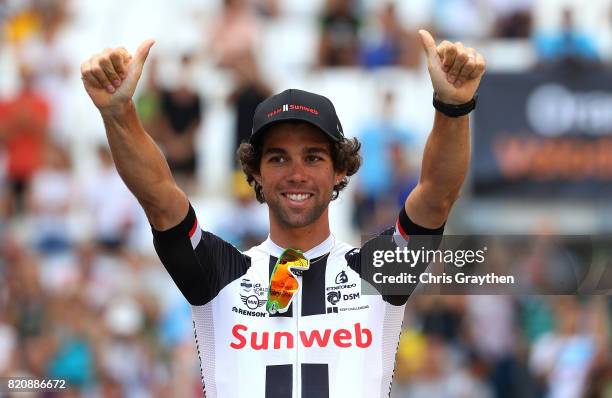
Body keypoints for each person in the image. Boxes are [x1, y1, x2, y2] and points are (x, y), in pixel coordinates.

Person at [80, 30, 485, 397]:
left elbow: (436, 196)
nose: (296, 174)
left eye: (312, 157)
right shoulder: (220, 275)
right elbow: (158, 198)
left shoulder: (374, 276)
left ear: (340, 169)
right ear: (255, 171)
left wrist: (453, 107)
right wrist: (119, 114)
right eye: (278, 159)